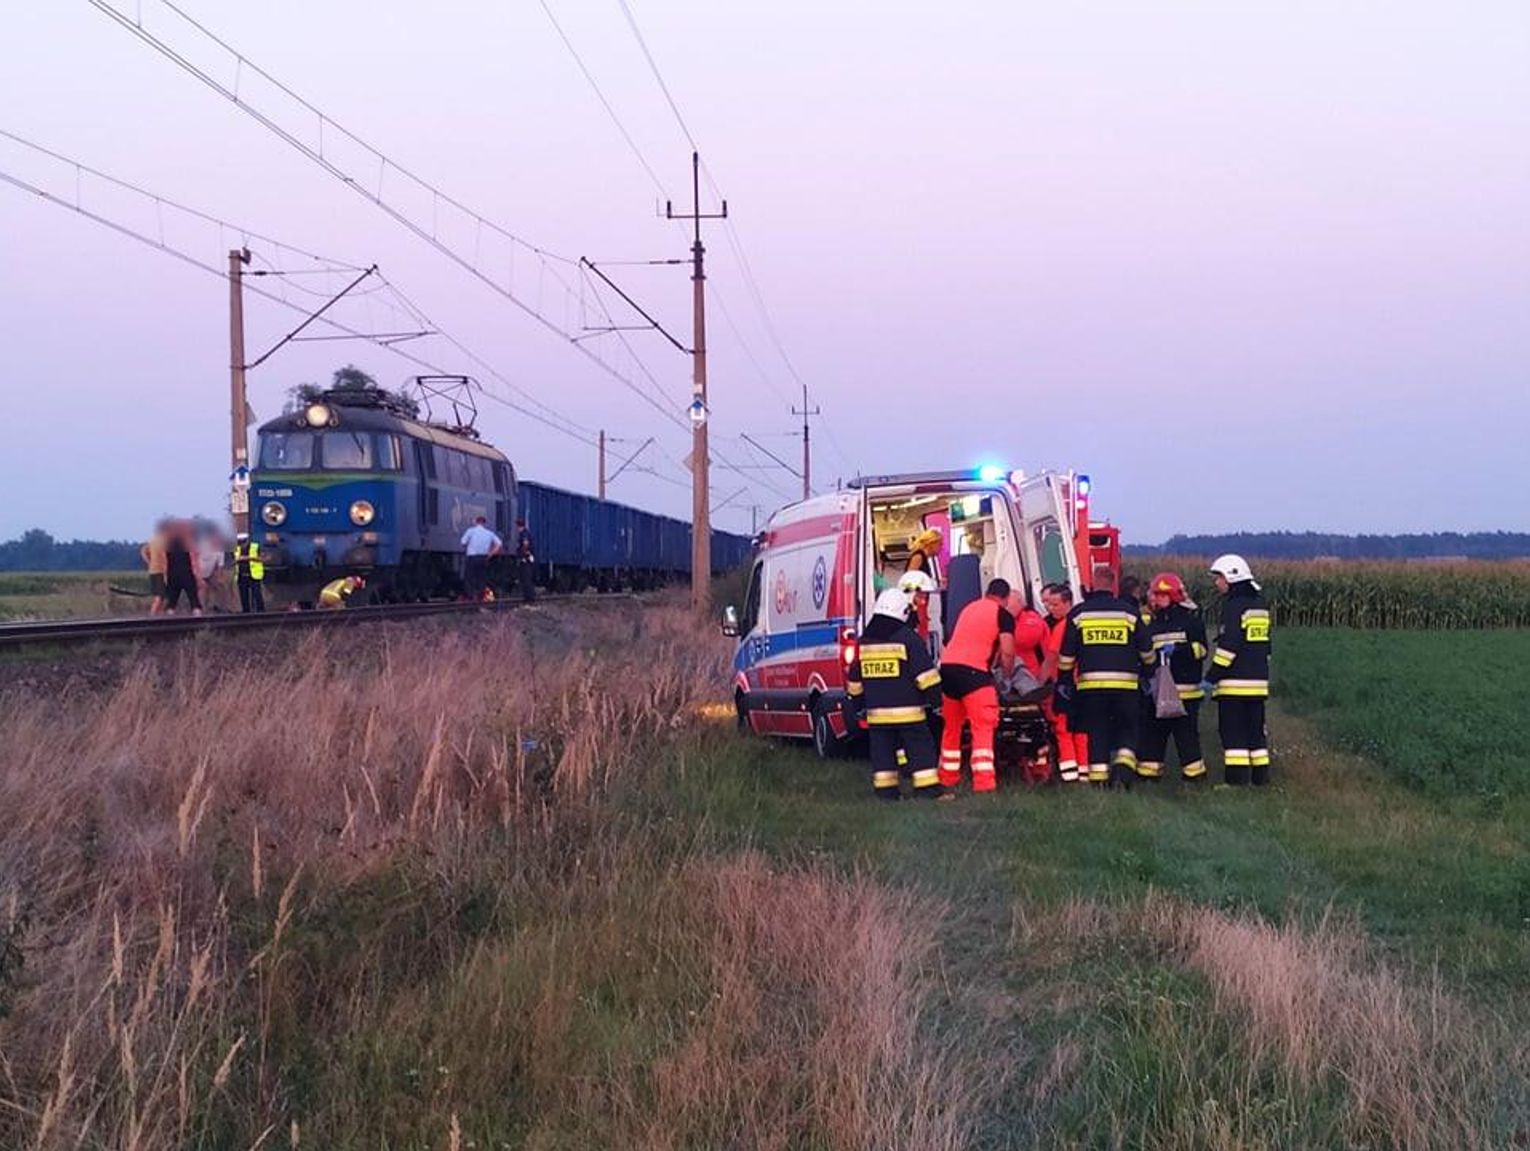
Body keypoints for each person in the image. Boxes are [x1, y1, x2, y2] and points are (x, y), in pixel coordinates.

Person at [845, 588, 945, 800]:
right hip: (908, 712)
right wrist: (937, 701)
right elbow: (926, 676)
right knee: (920, 749)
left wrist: (858, 705)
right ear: (902, 612)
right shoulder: (907, 638)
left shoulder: (865, 642)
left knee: (882, 755)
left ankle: (886, 793)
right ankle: (927, 791)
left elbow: (854, 680)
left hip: (876, 714)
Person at [1057, 566, 1153, 786]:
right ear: (1113, 584)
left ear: (1092, 582)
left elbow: (1066, 655)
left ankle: (1099, 781)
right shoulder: (1128, 612)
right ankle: (1122, 771)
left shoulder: (1079, 613)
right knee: (1128, 729)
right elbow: (1146, 650)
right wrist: (1148, 671)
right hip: (1126, 688)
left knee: (1097, 731)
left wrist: (1064, 681)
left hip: (1090, 688)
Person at [937, 578, 1016, 794]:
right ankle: (984, 783)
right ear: (1006, 598)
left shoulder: (970, 608)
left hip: (948, 669)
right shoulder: (1003, 615)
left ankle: (947, 777)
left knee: (951, 726)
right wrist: (1006, 677)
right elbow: (1008, 651)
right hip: (975, 673)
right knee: (983, 725)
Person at [1204, 554, 1273, 785]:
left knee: (1233, 734)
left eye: (1220, 578)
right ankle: (1260, 780)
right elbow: (1266, 646)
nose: (1217, 583)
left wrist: (1211, 677)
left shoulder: (1234, 607)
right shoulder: (1260, 605)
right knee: (1256, 733)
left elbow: (1229, 647)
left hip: (1234, 685)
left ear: (1232, 577)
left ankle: (1236, 782)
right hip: (1258, 683)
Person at [1138, 572, 1209, 782]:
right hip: (1159, 691)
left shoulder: (1191, 622)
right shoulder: (1152, 624)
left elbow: (1202, 650)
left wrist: (1179, 649)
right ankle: (1149, 776)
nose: (1157, 599)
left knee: (1186, 737)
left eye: (1162, 595)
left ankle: (1194, 777)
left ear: (1174, 596)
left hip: (1186, 691)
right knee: (1153, 734)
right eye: (1155, 595)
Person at [1040, 583, 1088, 783]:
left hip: (1065, 684)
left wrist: (1039, 685)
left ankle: (1069, 775)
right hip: (1084, 684)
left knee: (1063, 729)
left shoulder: (1063, 627)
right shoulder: (1081, 622)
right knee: (1082, 730)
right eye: (1049, 604)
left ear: (1068, 603)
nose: (1051, 609)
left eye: (1056, 604)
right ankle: (1085, 773)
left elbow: (1051, 658)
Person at [162, 520, 203, 615]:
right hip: (187, 573)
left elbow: (165, 562)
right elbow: (194, 561)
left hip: (172, 574)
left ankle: (168, 621)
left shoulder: (168, 544)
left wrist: (165, 576)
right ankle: (199, 620)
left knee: (172, 601)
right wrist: (198, 576)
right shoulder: (189, 543)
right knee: (194, 599)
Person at [460, 515, 502, 601]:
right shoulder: (489, 533)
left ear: (476, 522)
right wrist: (491, 554)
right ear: (484, 523)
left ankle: (470, 596)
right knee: (481, 578)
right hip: (484, 558)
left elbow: (463, 542)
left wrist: (468, 547)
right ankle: (480, 597)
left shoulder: (470, 531)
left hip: (472, 557)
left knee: (469, 577)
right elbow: (499, 544)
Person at [897, 568, 937, 645]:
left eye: (926, 596)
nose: (924, 602)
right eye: (920, 595)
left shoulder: (914, 617)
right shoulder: (902, 621)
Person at [140, 519, 169, 615]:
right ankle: (152, 616)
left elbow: (143, 550)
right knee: (160, 596)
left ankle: (158, 616)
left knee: (162, 596)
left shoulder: (152, 541)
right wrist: (166, 572)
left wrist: (148, 561)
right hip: (160, 571)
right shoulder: (164, 542)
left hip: (153, 570)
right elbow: (164, 557)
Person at [232, 531, 265, 613]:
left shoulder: (255, 547)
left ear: (247, 541)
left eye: (243, 542)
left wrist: (248, 558)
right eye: (239, 543)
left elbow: (264, 558)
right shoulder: (236, 549)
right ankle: (246, 612)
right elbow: (232, 561)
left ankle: (260, 611)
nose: (241, 545)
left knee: (257, 595)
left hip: (254, 575)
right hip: (241, 576)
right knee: (244, 596)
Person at [197, 523, 227, 612]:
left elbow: (220, 566)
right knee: (203, 588)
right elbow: (194, 560)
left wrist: (219, 577)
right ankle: (201, 608)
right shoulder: (202, 545)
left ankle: (218, 606)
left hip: (210, 572)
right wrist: (198, 576)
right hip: (199, 572)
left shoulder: (220, 549)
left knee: (220, 587)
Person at [514, 517, 536, 603]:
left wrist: (522, 556)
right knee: (525, 579)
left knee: (526, 579)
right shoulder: (525, 533)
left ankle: (529, 599)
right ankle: (528, 598)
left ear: (518, 526)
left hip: (526, 560)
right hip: (527, 559)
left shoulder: (524, 534)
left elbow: (525, 545)